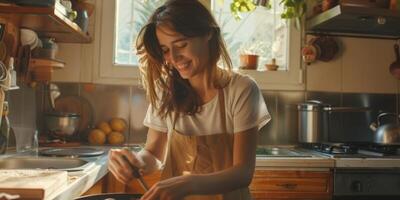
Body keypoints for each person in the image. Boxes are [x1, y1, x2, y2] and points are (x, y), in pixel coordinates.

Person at [108, 0, 270, 199]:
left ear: (208, 33)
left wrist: (189, 182)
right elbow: (153, 154)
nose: (174, 58)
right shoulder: (164, 90)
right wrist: (136, 162)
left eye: (181, 44)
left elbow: (243, 173)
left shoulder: (241, 89)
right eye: (165, 50)